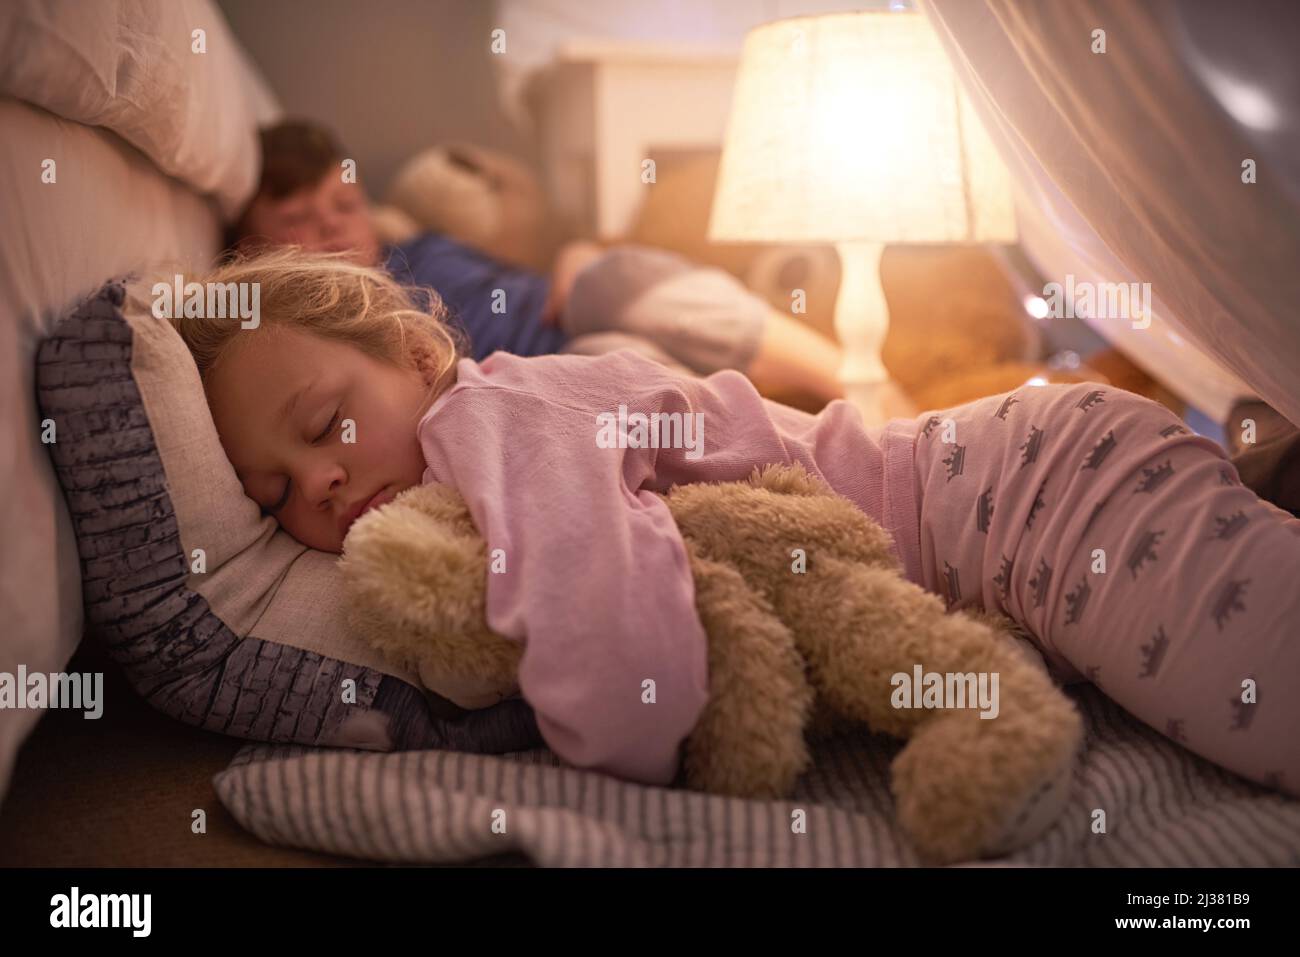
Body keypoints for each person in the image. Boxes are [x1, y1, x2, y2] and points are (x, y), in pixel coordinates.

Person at [172, 248, 1300, 799]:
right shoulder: (478, 437)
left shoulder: (497, 416)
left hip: (1025, 503)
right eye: (269, 494)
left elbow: (618, 646)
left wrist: (605, 758)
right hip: (1012, 485)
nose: (314, 485)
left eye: (325, 426)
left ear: (419, 357)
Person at [231, 120, 845, 404]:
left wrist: (576, 256)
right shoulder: (329, 329)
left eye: (344, 203)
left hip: (573, 305)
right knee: (614, 364)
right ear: (250, 248)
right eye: (297, 220)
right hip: (558, 372)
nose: (332, 224)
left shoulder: (420, 246)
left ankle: (851, 380)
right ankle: (780, 448)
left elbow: (545, 249)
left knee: (608, 282)